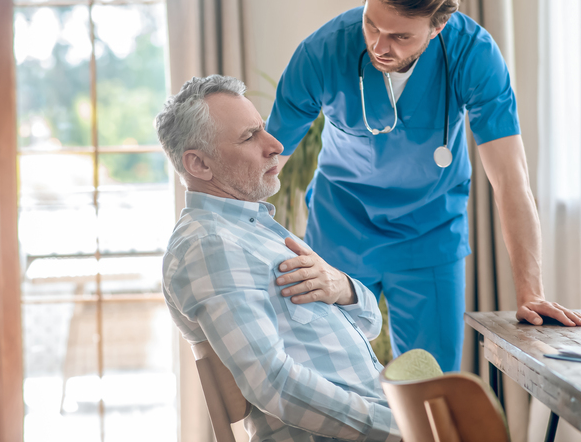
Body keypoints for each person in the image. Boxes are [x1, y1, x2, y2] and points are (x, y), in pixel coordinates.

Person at [266, 0, 581, 373]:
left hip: (430, 231)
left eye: (400, 36)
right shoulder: (323, 52)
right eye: (371, 24)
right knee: (332, 376)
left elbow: (511, 180)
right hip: (340, 227)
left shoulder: (472, 55)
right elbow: (268, 158)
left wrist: (531, 292)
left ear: (438, 26)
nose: (378, 45)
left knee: (430, 383)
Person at [157, 75, 402, 442]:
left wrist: (342, 287)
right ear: (200, 165)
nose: (275, 145)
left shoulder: (253, 229)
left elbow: (369, 322)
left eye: (264, 130)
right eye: (249, 137)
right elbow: (273, 383)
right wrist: (398, 430)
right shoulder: (210, 245)